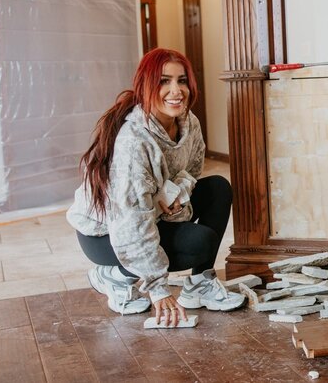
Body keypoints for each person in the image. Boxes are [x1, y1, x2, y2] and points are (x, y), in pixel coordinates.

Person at [67, 48, 245, 326]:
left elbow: (193, 169)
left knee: (218, 187)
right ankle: (113, 275)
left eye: (181, 80)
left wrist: (176, 192)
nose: (176, 90)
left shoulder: (188, 122)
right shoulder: (133, 142)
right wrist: (158, 288)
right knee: (199, 241)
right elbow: (130, 222)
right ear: (146, 85)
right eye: (164, 81)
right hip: (106, 233)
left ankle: (199, 284)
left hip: (153, 212)